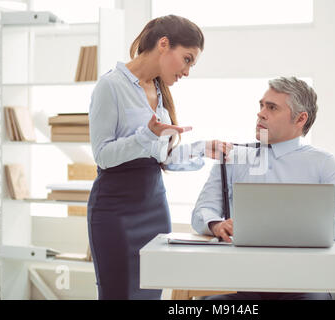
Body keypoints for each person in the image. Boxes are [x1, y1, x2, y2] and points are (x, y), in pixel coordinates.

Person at [87, 15, 231, 300]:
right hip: (115, 210)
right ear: (164, 44)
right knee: (119, 294)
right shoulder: (111, 86)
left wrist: (201, 148)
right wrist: (148, 135)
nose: (187, 71)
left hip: (154, 206)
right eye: (187, 59)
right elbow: (103, 156)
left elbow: (162, 158)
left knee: (151, 295)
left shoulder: (160, 93)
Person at [191, 76, 335, 300]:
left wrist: (300, 229)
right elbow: (202, 212)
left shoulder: (323, 163)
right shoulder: (233, 158)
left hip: (307, 286)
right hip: (247, 285)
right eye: (261, 105)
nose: (261, 113)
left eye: (272, 107)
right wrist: (216, 224)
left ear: (300, 119)